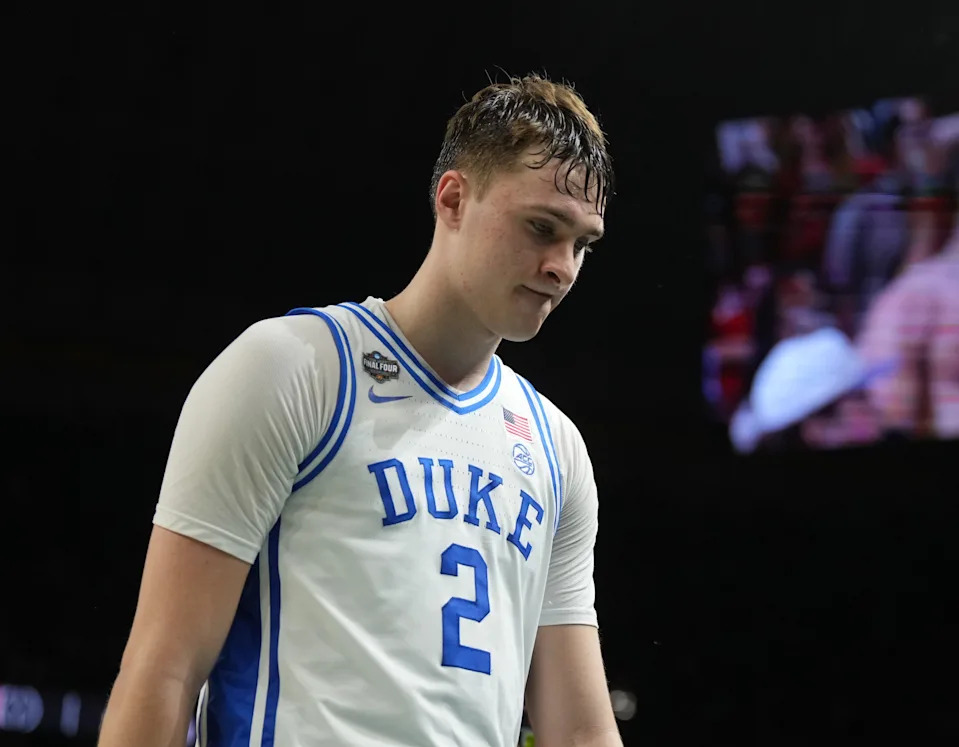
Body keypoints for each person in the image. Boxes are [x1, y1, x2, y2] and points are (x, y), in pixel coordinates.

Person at [98, 73, 623, 747]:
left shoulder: (557, 449)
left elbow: (579, 730)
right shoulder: (290, 368)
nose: (561, 266)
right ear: (453, 199)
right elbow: (162, 670)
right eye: (541, 227)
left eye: (582, 243)